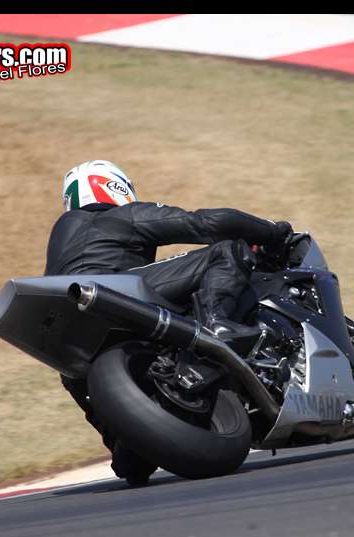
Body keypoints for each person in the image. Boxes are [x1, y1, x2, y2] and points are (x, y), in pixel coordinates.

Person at [44, 160, 292, 486]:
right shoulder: (115, 216)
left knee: (71, 373)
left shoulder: (61, 239)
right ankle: (218, 323)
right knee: (227, 249)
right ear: (115, 187)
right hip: (114, 292)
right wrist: (272, 231)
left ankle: (120, 441)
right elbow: (206, 222)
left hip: (72, 323)